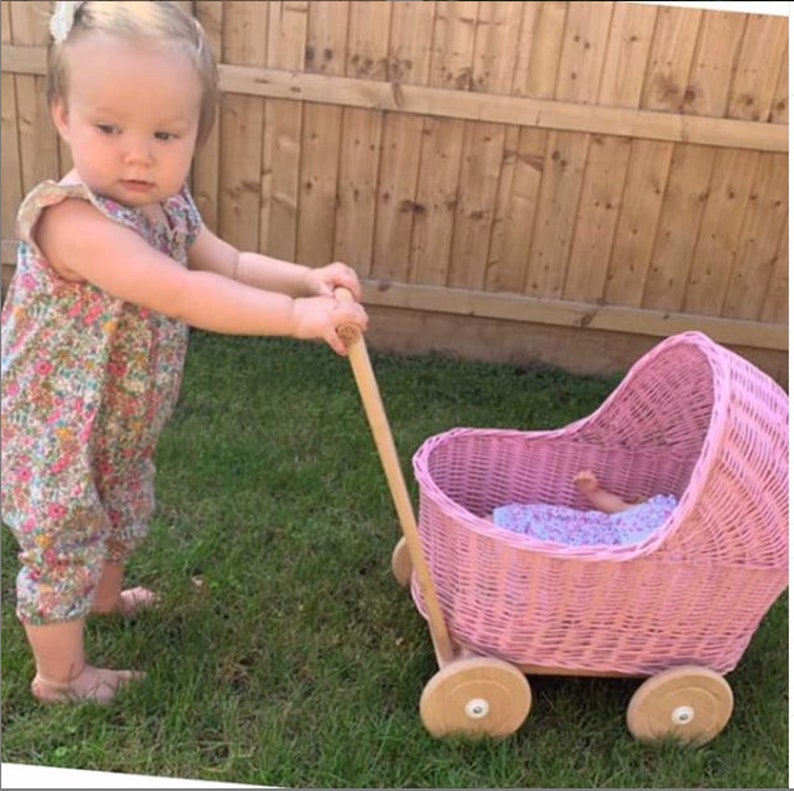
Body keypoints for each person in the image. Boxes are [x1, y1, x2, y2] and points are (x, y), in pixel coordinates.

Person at [0, 0, 368, 705]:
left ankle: (102, 599)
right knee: (65, 528)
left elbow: (224, 259)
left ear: (196, 132)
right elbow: (179, 289)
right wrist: (296, 316)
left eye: (166, 133)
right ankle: (60, 675)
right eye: (110, 127)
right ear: (62, 115)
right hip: (54, 423)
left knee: (117, 500)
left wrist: (304, 277)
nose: (138, 152)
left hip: (116, 414)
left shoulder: (166, 206)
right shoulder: (74, 220)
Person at [492, 470, 678, 547]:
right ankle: (485, 525)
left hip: (604, 549)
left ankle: (488, 533)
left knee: (544, 535)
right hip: (593, 524)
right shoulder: (663, 508)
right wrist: (592, 491)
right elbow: (620, 508)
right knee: (539, 518)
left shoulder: (686, 534)